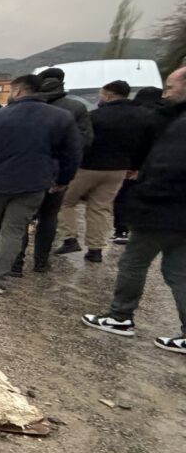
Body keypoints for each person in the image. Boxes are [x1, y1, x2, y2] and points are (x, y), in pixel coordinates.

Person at [82, 66, 186, 354]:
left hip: (162, 211)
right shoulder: (169, 119)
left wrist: (143, 203)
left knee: (133, 264)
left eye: (170, 88)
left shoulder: (179, 125)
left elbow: (169, 167)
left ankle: (120, 316)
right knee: (178, 270)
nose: (165, 94)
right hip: (174, 212)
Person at [0, 74, 82, 296]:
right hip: (33, 183)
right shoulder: (62, 118)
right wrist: (61, 180)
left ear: (18, 91)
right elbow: (72, 154)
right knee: (14, 230)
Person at [55, 80, 161, 262]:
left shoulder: (95, 116)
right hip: (119, 169)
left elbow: (83, 141)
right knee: (101, 207)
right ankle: (95, 249)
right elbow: (147, 144)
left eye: (101, 94)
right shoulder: (143, 117)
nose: (99, 97)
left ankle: (69, 238)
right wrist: (135, 166)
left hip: (88, 166)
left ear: (109, 95)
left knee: (66, 201)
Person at [14, 67, 94, 273]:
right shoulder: (75, 108)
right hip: (55, 171)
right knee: (48, 217)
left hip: (23, 171)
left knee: (20, 216)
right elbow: (83, 142)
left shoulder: (18, 107)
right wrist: (65, 175)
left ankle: (16, 262)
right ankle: (41, 262)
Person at [113, 86, 165, 244]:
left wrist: (132, 165)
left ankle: (122, 230)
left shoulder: (135, 115)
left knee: (124, 196)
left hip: (133, 164)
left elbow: (132, 142)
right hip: (161, 165)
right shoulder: (168, 115)